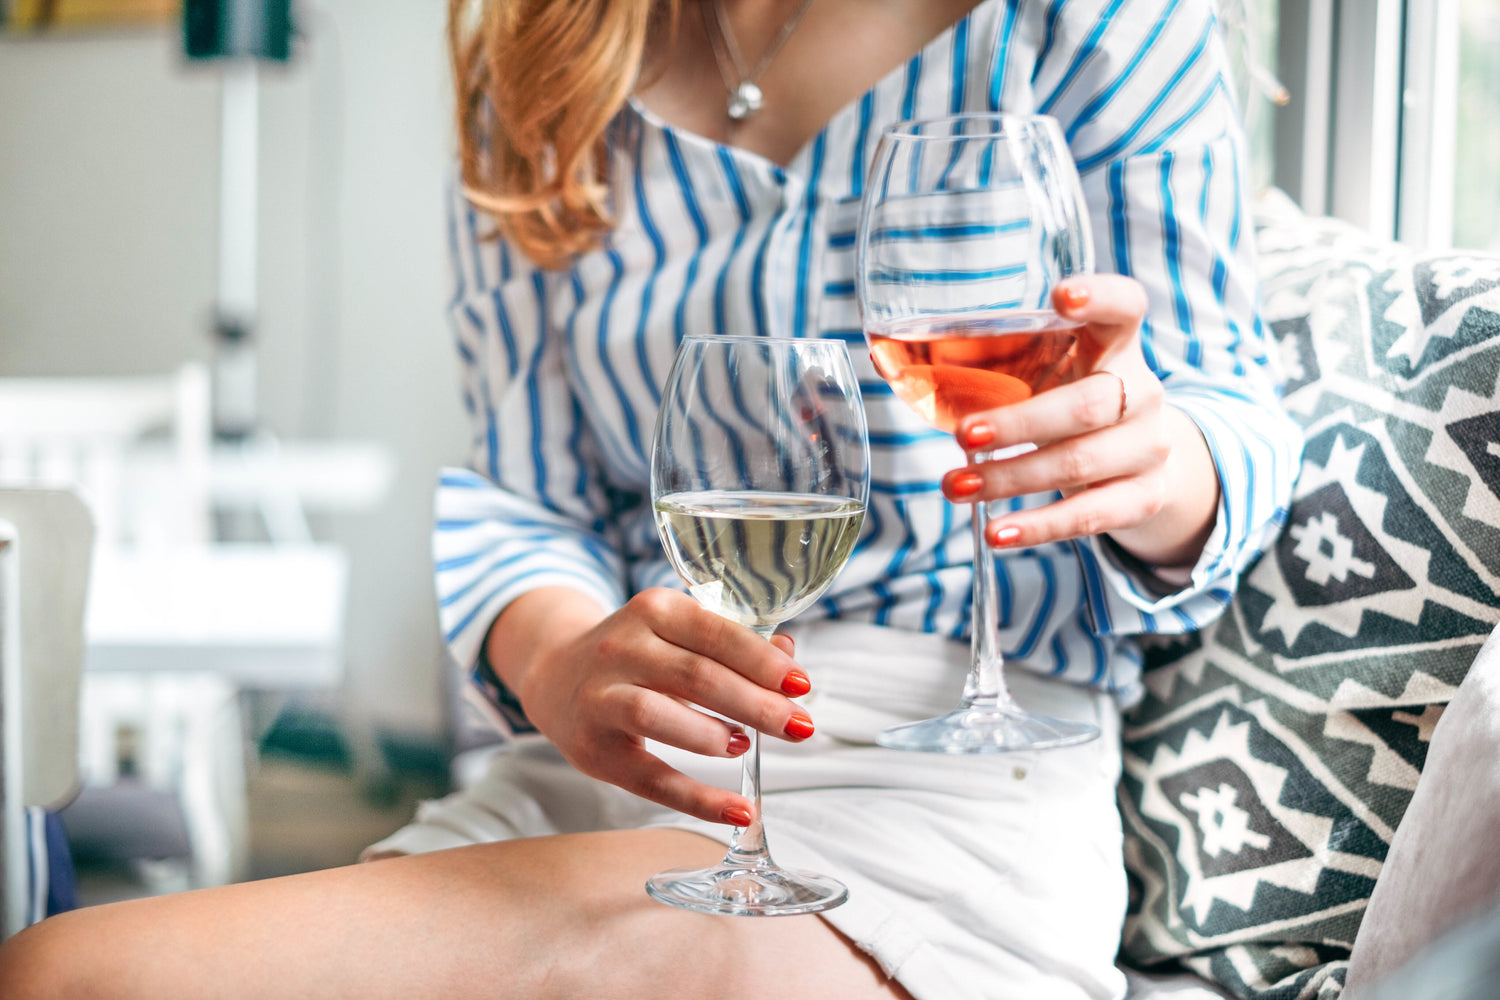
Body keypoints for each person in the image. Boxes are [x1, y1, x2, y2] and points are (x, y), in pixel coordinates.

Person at [0, 0, 1301, 997]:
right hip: (624, 762)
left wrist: (1164, 461)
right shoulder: (552, 53)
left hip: (942, 785)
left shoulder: (1095, 24)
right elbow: (523, 490)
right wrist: (559, 653)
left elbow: (1228, 418)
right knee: (55, 975)